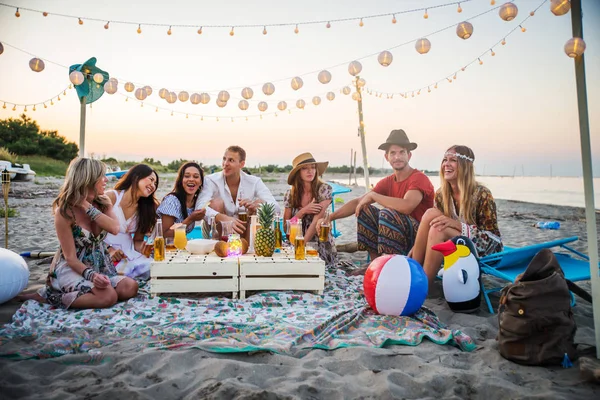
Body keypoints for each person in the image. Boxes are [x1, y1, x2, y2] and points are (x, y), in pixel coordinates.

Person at [325, 129, 434, 274]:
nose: (397, 157)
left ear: (409, 155)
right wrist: (330, 217)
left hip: (418, 241)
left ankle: (388, 265)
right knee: (365, 209)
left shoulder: (419, 178)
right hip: (395, 237)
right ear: (387, 157)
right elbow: (359, 201)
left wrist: (375, 196)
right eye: (393, 153)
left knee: (387, 213)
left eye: (402, 152)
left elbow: (407, 206)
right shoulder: (388, 181)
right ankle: (376, 264)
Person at [35, 158, 138, 309]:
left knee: (130, 287)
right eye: (101, 177)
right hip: (74, 268)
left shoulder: (103, 202)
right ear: (88, 180)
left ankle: (89, 293)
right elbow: (70, 258)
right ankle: (54, 297)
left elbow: (114, 228)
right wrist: (92, 276)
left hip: (100, 265)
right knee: (108, 297)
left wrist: (85, 205)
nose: (105, 180)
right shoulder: (64, 212)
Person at [409, 145, 503, 283]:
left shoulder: (482, 194)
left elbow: (492, 239)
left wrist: (458, 225)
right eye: (444, 160)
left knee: (438, 229)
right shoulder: (442, 194)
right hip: (455, 242)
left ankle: (424, 285)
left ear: (466, 166)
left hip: (485, 249)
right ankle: (414, 271)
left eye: (453, 160)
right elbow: (432, 223)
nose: (446, 164)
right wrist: (419, 245)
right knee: (430, 213)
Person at [195, 145, 280, 236]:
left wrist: (256, 206)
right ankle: (218, 245)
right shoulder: (211, 180)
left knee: (260, 203)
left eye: (231, 160)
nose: (225, 163)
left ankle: (247, 246)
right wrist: (224, 218)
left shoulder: (254, 182)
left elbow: (277, 208)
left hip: (243, 227)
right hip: (217, 230)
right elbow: (200, 207)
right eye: (224, 159)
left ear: (241, 164)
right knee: (216, 203)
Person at [104, 164, 159, 279]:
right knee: (116, 276)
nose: (153, 186)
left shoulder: (145, 208)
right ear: (136, 177)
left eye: (155, 184)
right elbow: (89, 229)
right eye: (151, 180)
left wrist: (142, 248)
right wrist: (109, 249)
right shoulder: (111, 197)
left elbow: (138, 240)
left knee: (156, 269)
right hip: (104, 249)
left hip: (129, 252)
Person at [283, 152, 337, 266]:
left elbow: (316, 221)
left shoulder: (324, 189)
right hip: (296, 239)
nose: (310, 171)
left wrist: (301, 245)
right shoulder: (290, 194)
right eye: (305, 168)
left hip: (318, 239)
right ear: (298, 173)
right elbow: (286, 227)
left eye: (313, 167)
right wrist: (303, 211)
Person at [157, 162, 206, 237]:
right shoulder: (171, 201)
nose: (191, 179)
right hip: (162, 246)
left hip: (179, 245)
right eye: (187, 176)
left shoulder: (198, 202)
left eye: (196, 177)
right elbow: (165, 235)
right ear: (181, 180)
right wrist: (190, 219)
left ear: (201, 182)